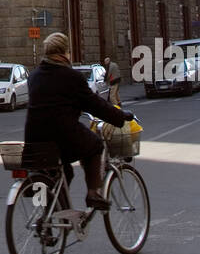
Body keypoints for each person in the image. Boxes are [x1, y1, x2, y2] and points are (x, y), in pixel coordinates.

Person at [24, 32, 134, 211]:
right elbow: (95, 104)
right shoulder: (71, 77)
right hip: (61, 135)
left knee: (62, 171)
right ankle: (93, 194)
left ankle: (49, 217)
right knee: (95, 146)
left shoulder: (35, 75)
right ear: (65, 52)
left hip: (33, 137)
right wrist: (120, 116)